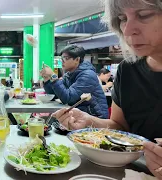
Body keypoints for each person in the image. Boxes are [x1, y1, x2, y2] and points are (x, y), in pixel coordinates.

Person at [54, 0, 162, 178]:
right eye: (122, 18)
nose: (127, 30)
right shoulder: (128, 70)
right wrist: (89, 122)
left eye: (144, 15)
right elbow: (120, 127)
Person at [41, 45, 109, 118]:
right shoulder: (69, 75)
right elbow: (55, 95)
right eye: (61, 58)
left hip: (95, 118)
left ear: (77, 60)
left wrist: (53, 76)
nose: (62, 61)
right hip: (81, 114)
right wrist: (47, 79)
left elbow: (68, 98)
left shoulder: (88, 75)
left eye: (66, 58)